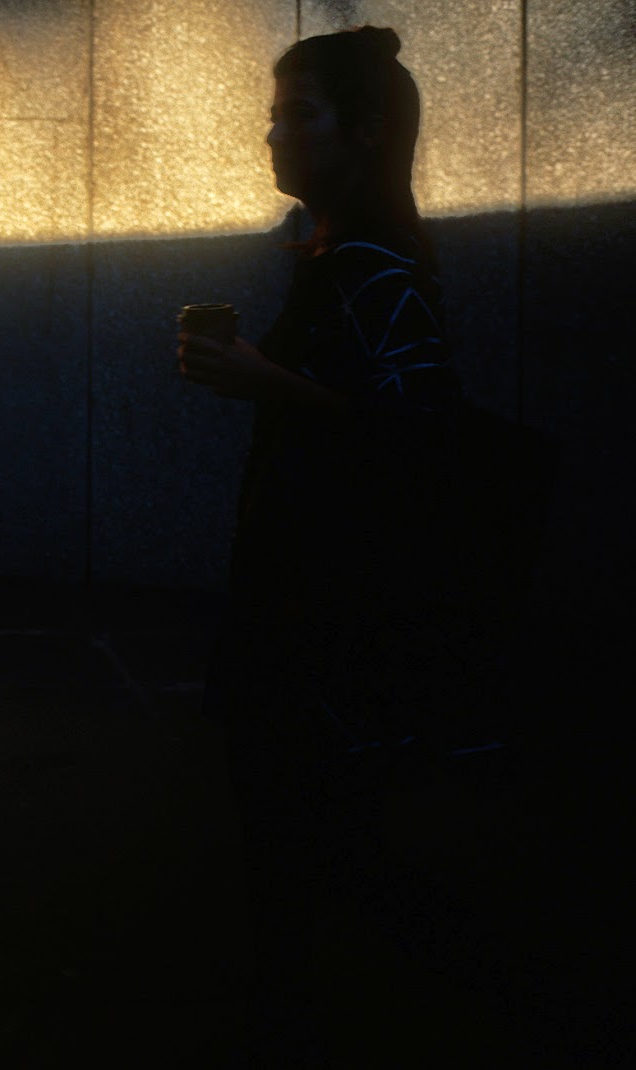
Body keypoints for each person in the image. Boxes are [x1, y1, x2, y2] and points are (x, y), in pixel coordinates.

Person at [176, 26, 468, 1065]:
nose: (273, 135)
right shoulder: (334, 253)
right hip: (306, 586)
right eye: (272, 114)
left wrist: (260, 379)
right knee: (314, 824)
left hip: (326, 602)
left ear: (366, 131)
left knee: (302, 822)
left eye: (299, 114)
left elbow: (416, 434)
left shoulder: (371, 265)